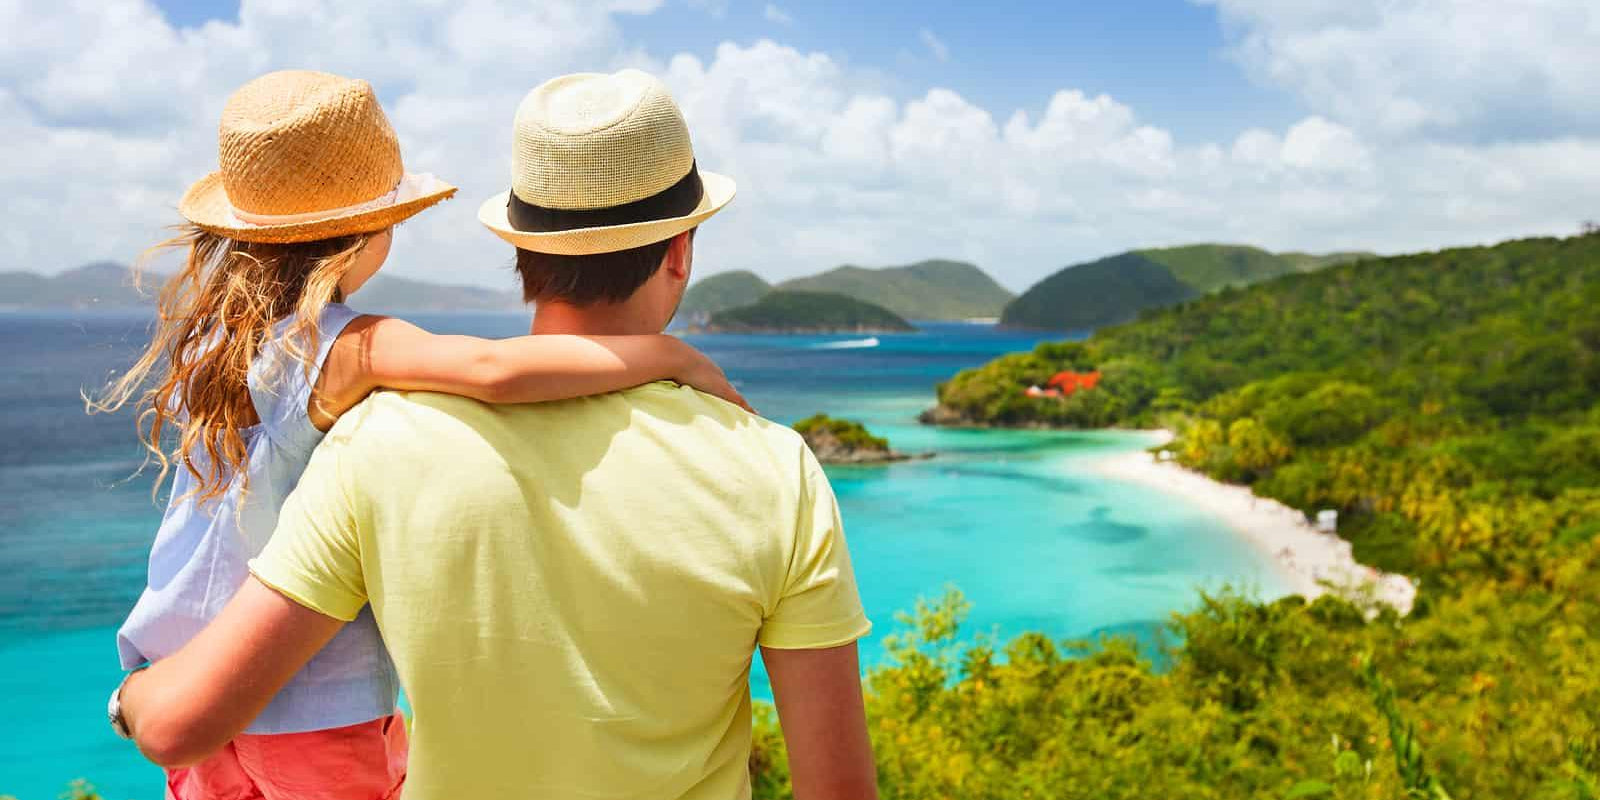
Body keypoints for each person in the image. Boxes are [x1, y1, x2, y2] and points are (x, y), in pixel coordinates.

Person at [113, 68, 879, 800]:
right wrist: (677, 359)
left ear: (521, 253)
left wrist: (130, 701)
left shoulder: (374, 441)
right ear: (681, 250)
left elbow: (188, 716)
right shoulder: (776, 470)